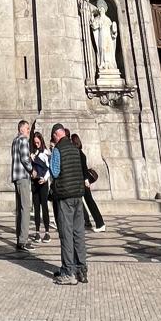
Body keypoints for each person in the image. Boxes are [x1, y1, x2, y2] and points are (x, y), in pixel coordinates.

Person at [48, 122, 88, 286]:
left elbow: (55, 172)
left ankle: (68, 272)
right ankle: (81, 270)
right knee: (78, 233)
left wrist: (52, 154)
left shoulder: (58, 149)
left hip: (64, 196)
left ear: (56, 135)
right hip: (78, 196)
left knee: (66, 233)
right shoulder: (75, 148)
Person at [71, 133, 105, 232]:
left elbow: (84, 168)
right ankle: (96, 223)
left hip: (83, 182)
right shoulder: (80, 153)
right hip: (82, 181)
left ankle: (100, 223)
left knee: (90, 202)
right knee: (87, 202)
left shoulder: (79, 154)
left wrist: (86, 180)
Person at [10, 118, 31, 253]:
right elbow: (24, 159)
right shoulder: (23, 140)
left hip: (16, 176)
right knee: (26, 208)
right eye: (27, 128)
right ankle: (23, 240)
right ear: (21, 129)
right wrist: (32, 169)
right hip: (23, 176)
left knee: (20, 209)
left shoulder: (14, 141)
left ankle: (19, 238)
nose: (29, 131)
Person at [28, 131, 51, 243]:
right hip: (35, 182)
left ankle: (47, 232)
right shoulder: (33, 153)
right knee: (36, 208)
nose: (36, 144)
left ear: (41, 141)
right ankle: (37, 232)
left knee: (44, 207)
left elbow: (49, 167)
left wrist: (45, 178)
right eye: (35, 143)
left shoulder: (45, 152)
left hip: (43, 182)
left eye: (38, 142)